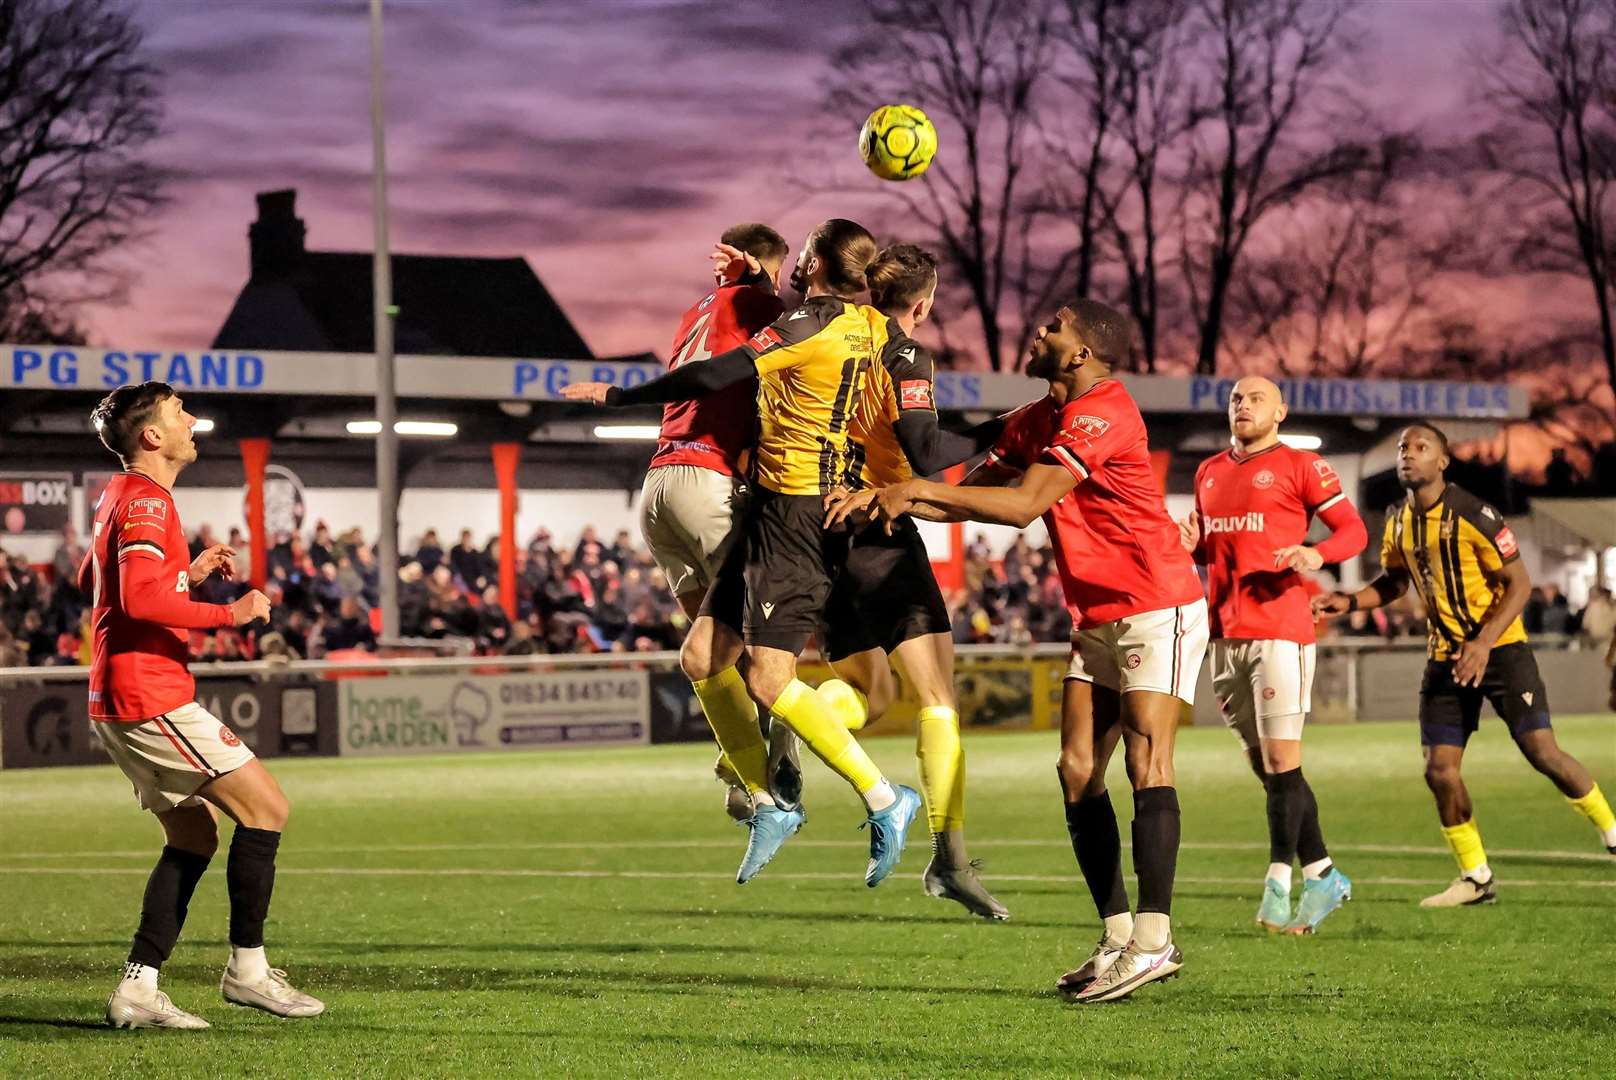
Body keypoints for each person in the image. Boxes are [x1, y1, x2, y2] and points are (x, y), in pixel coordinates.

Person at [860, 299, 1207, 1003]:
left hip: (1157, 604)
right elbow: (963, 494)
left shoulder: (1105, 411)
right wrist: (880, 498)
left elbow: (1021, 507)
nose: (1039, 332)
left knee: (1147, 760)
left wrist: (912, 491)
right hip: (1098, 614)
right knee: (1077, 769)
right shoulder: (1035, 418)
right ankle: (1116, 936)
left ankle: (1154, 938)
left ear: (1081, 354)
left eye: (1054, 328)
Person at [565, 219, 923, 888]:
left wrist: (618, 395)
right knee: (703, 655)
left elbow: (717, 371)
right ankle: (765, 794)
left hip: (798, 515)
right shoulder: (860, 325)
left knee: (768, 678)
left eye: (807, 252)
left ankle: (879, 797)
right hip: (765, 506)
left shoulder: (806, 325)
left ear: (814, 263)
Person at [82, 381, 322, 1029]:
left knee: (193, 834)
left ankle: (138, 987)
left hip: (116, 697)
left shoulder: (120, 495)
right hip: (148, 692)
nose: (192, 421)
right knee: (267, 807)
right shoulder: (149, 502)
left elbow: (94, 579)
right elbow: (135, 601)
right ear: (152, 437)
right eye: (178, 413)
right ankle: (248, 973)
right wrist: (231, 611)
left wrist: (183, 567)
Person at [1314, 423, 1616, 908]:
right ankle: (1476, 877)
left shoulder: (1474, 513)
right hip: (1444, 657)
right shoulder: (1397, 520)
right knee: (1439, 770)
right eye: (1402, 448)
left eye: (1421, 447)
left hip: (1501, 649)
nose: (1408, 455)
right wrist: (1349, 603)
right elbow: (1394, 582)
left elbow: (1519, 584)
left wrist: (1483, 642)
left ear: (1443, 461)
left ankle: (1613, 833)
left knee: (1543, 753)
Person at [819, 243, 1013, 919]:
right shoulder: (902, 352)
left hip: (814, 534)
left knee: (863, 696)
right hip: (875, 525)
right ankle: (950, 859)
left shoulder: (832, 335)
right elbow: (928, 453)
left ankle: (791, 727)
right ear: (922, 305)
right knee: (937, 697)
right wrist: (1003, 430)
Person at [1178, 376, 1366, 934]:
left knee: (1284, 762)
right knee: (1269, 768)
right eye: (1237, 398)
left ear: (1280, 410)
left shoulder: (1301, 467)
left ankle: (1279, 882)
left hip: (1281, 630)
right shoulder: (1209, 471)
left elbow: (1352, 531)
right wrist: (1196, 546)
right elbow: (1219, 547)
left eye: (1256, 398)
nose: (1244, 405)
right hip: (1225, 636)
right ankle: (1325, 872)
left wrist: (1316, 552)